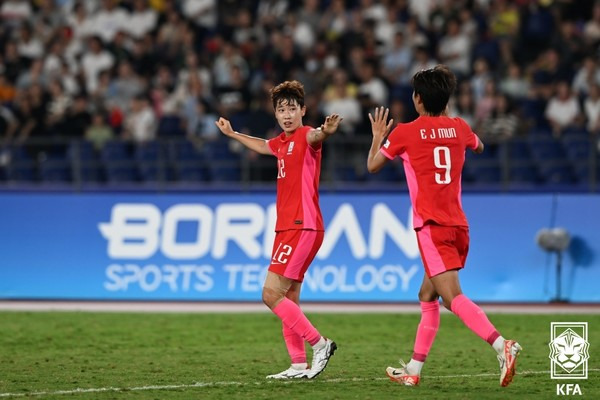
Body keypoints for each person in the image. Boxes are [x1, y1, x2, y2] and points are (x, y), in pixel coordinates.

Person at [366, 65, 521, 388]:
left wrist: (379, 138)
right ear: (446, 99)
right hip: (458, 227)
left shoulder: (405, 133)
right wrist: (447, 119)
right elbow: (478, 145)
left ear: (418, 99)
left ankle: (500, 344)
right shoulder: (460, 127)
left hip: (431, 227)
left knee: (451, 298)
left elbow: (373, 166)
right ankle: (414, 369)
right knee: (427, 294)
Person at [215, 80, 341, 380]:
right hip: (287, 228)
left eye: (292, 109)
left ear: (302, 111)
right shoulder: (281, 142)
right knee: (289, 297)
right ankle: (298, 364)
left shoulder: (306, 136)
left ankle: (320, 344)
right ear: (275, 113)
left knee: (271, 294)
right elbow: (261, 145)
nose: (286, 115)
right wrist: (232, 133)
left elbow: (317, 134)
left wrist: (326, 131)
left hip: (303, 226)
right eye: (281, 110)